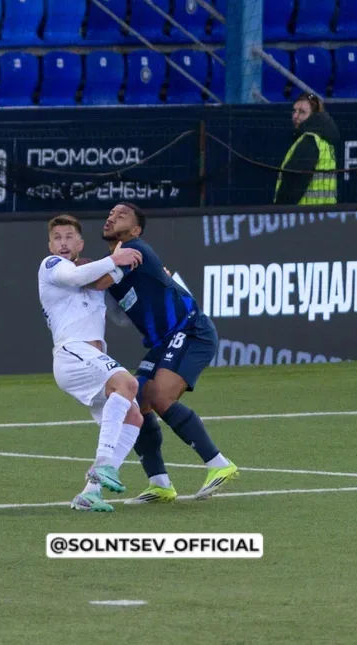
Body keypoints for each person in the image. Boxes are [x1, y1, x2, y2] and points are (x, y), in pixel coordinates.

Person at [101, 202, 239, 502]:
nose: (111, 218)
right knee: (135, 402)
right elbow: (121, 317)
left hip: (190, 330)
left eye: (121, 215)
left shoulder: (135, 250)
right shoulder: (114, 265)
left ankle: (219, 464)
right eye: (110, 214)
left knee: (160, 396)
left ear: (136, 230)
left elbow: (95, 281)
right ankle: (160, 483)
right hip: (162, 341)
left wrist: (72, 270)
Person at [38, 215, 146, 513]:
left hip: (90, 361)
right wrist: (115, 258)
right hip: (72, 353)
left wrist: (146, 277)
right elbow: (75, 277)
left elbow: (122, 315)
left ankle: (90, 493)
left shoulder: (95, 283)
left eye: (69, 237)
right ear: (50, 245)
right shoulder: (51, 266)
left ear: (80, 243)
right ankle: (103, 464)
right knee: (127, 383)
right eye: (57, 238)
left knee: (134, 417)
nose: (63, 243)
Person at [274, 92, 339, 206]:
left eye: (302, 112)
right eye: (294, 111)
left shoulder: (309, 140)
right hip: (325, 213)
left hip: (303, 213)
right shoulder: (324, 141)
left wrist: (279, 210)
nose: (295, 116)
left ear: (314, 115)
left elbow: (293, 185)